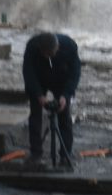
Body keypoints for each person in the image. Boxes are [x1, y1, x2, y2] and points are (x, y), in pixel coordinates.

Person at [22, 32, 82, 163]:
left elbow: (75, 73)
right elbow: (28, 73)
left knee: (64, 115)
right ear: (40, 50)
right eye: (46, 54)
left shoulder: (69, 46)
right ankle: (36, 153)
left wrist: (66, 95)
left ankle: (65, 154)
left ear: (57, 47)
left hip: (61, 78)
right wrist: (39, 95)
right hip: (39, 78)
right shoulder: (32, 47)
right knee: (35, 114)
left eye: (52, 53)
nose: (49, 56)